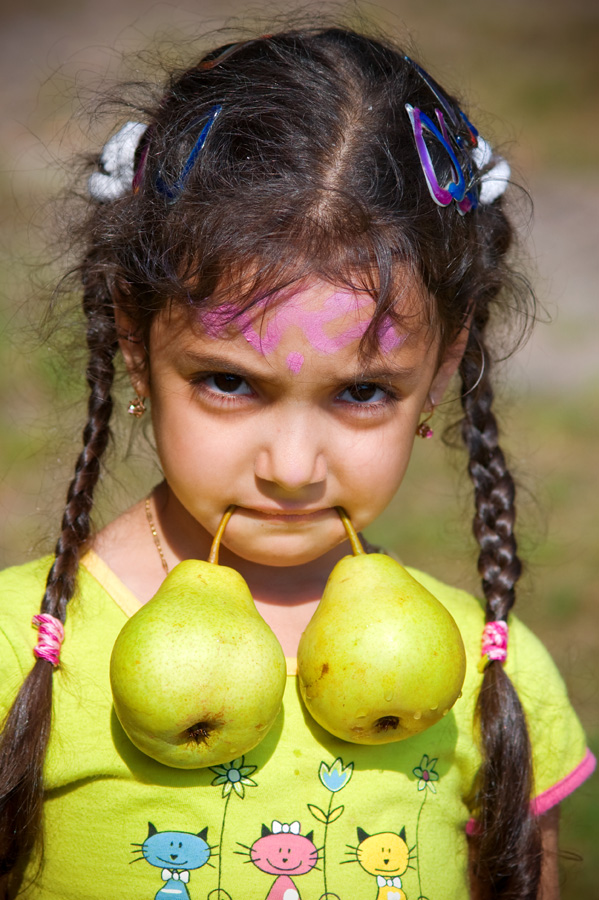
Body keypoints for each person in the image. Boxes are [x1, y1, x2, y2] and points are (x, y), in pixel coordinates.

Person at [0, 25, 594, 900]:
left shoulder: (492, 675)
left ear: (440, 365)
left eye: (361, 393)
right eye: (229, 382)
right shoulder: (19, 653)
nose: (289, 465)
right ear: (133, 337)